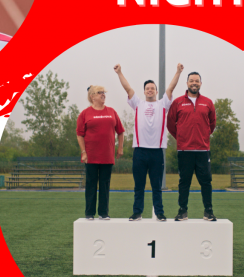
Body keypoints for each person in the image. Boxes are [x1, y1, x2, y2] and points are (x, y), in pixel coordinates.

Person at [114, 63, 183, 222]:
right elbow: (128, 89)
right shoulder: (138, 103)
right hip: (139, 151)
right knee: (138, 186)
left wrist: (178, 72)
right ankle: (137, 212)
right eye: (147, 88)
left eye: (153, 88)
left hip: (157, 152)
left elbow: (171, 88)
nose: (150, 90)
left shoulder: (163, 104)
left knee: (156, 187)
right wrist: (119, 73)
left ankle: (159, 212)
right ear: (144, 91)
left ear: (156, 91)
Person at [167, 72, 217, 221]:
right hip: (185, 150)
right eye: (191, 81)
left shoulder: (208, 103)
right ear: (187, 83)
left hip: (203, 150)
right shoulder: (178, 102)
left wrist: (203, 137)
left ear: (200, 83)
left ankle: (208, 211)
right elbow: (170, 124)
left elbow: (212, 123)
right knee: (184, 182)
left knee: (206, 182)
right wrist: (182, 138)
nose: (194, 83)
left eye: (197, 81)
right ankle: (182, 211)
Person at [76, 85, 125, 220]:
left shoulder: (112, 112)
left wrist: (120, 148)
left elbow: (120, 131)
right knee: (91, 184)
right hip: (91, 155)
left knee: (104, 184)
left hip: (107, 155)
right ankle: (89, 213)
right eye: (99, 93)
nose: (103, 94)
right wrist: (83, 152)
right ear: (92, 96)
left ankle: (103, 213)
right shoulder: (85, 114)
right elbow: (79, 134)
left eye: (104, 92)